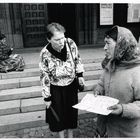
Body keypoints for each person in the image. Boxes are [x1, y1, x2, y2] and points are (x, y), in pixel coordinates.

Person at [39, 22, 85, 138]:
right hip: (56, 89)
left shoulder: (70, 43)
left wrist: (80, 75)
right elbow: (44, 76)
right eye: (57, 39)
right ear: (49, 39)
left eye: (63, 37)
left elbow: (77, 59)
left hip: (70, 86)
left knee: (71, 113)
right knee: (58, 116)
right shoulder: (44, 53)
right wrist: (47, 96)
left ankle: (70, 136)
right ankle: (61, 137)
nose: (61, 41)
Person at [93, 25, 140, 137]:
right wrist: (98, 90)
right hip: (106, 127)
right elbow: (101, 82)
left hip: (128, 131)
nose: (104, 47)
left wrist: (123, 109)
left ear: (121, 45)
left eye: (108, 43)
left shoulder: (137, 72)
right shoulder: (111, 64)